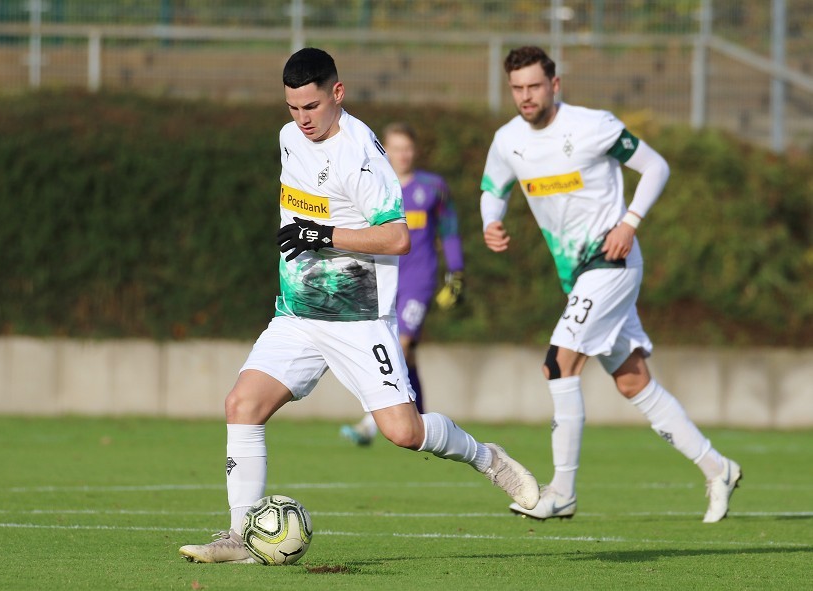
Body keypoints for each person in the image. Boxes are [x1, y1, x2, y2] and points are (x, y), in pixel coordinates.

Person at [178, 47, 539, 564]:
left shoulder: (363, 158)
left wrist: (321, 234)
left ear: (337, 94)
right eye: (292, 108)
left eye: (312, 107)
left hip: (358, 318)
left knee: (403, 432)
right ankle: (240, 537)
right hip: (298, 314)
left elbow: (397, 238)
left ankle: (489, 458)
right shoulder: (287, 139)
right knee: (242, 405)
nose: (302, 119)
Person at [479, 46, 741, 523]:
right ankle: (717, 467)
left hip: (613, 261)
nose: (525, 96)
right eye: (517, 88)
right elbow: (492, 189)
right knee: (632, 381)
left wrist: (631, 222)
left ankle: (561, 491)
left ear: (554, 85)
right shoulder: (507, 140)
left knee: (558, 365)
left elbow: (656, 166)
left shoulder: (592, 125)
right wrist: (490, 223)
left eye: (534, 86)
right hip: (577, 274)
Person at [340, 122, 465, 446]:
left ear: (415, 151)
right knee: (405, 357)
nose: (402, 155)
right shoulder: (373, 185)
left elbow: (449, 229)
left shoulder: (432, 186)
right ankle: (420, 421)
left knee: (401, 345)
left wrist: (457, 271)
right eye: (395, 148)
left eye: (407, 148)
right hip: (382, 281)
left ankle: (370, 423)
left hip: (418, 281)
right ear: (385, 150)